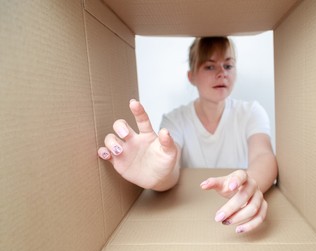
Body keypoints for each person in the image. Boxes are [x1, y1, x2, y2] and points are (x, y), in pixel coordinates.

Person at [97, 37, 278, 234]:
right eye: (209, 66)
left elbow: (263, 155)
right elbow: (170, 167)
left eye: (228, 65)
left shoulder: (251, 112)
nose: (221, 73)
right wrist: (157, 176)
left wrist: (249, 184)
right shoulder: (175, 120)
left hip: (231, 212)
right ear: (191, 76)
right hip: (191, 219)